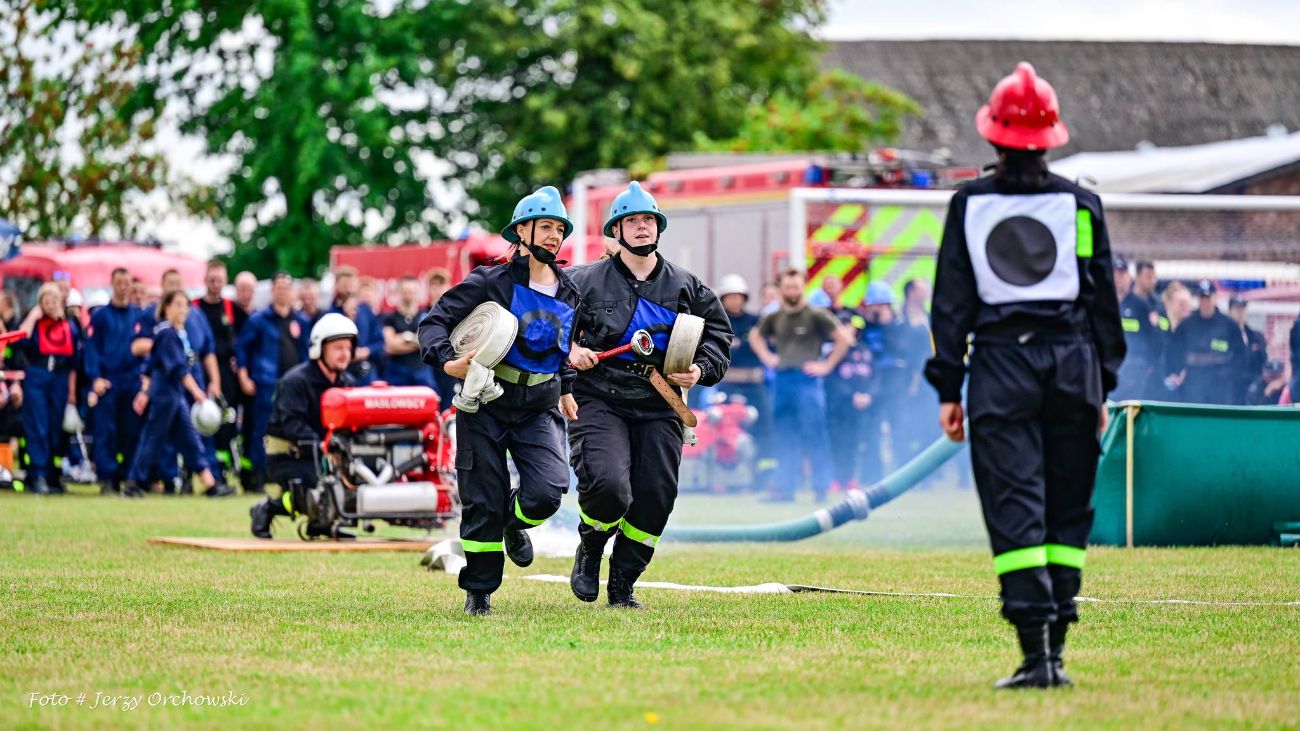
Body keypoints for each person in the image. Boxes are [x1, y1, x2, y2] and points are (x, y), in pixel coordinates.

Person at [924, 63, 1125, 689]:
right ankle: (1057, 647)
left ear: (994, 136)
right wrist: (1103, 384)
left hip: (1001, 364)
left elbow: (951, 303)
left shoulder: (969, 203)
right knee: (1068, 508)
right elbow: (1100, 300)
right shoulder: (1081, 204)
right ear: (1050, 136)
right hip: (1072, 364)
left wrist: (948, 387)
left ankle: (1035, 653)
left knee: (1015, 508)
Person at [567, 181, 731, 608]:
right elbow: (547, 325)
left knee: (656, 496)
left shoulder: (686, 286)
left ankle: (622, 584)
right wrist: (571, 349)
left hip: (661, 402)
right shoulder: (583, 281)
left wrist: (702, 367)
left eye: (647, 221)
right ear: (616, 232)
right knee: (608, 486)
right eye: (631, 221)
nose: (641, 228)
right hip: (599, 397)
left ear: (658, 228)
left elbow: (718, 335)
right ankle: (590, 549)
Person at [419, 186, 582, 616]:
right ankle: (480, 592)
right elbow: (434, 323)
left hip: (539, 405)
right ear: (522, 231)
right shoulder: (489, 281)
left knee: (549, 491)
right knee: (482, 498)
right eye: (545, 226)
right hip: (484, 402)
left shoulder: (571, 291)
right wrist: (448, 360)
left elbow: (562, 345)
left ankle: (513, 523)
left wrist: (566, 386)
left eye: (558, 229)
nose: (553, 236)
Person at [249, 313, 357, 539]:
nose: (344, 353)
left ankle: (321, 524)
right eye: (338, 347)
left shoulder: (347, 384)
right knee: (313, 489)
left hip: (323, 454)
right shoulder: (295, 381)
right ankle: (267, 508)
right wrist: (323, 446)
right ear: (319, 348)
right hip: (288, 455)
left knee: (350, 481)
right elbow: (291, 424)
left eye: (348, 348)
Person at [748, 269, 851, 502]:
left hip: (808, 382)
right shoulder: (775, 317)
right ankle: (785, 489)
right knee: (785, 435)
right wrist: (768, 358)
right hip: (783, 380)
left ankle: (821, 487)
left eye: (796, 287)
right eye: (787, 287)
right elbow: (755, 337)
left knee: (815, 434)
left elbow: (844, 339)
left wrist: (826, 365)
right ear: (781, 289)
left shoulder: (816, 315)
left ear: (803, 287)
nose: (792, 291)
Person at [124, 291, 232, 498]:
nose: (183, 310)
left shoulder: (174, 333)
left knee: (189, 440)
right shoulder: (167, 333)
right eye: (178, 305)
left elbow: (150, 366)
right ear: (167, 307)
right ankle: (133, 482)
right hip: (166, 394)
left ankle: (210, 484)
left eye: (185, 305)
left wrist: (144, 391)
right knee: (153, 438)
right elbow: (178, 369)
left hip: (173, 394)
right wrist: (198, 393)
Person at [236, 273, 310, 495]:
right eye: (279, 288)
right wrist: (244, 376)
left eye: (287, 288)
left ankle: (290, 475)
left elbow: (307, 353)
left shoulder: (301, 321)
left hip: (293, 385)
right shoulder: (259, 320)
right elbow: (242, 349)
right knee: (262, 429)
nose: (283, 292)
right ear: (272, 291)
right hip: (266, 382)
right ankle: (256, 476)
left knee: (292, 429)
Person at [16, 283, 81, 494]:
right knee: (38, 425)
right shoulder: (35, 324)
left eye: (53, 300)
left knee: (54, 427)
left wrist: (71, 391)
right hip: (38, 374)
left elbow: (74, 362)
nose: (50, 304)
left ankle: (53, 474)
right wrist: (34, 317)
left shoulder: (70, 326)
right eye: (45, 300)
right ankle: (38, 474)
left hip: (60, 378)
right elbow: (19, 340)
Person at [84, 268, 144, 496]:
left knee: (131, 432)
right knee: (105, 432)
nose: (123, 287)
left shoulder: (138, 316)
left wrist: (143, 378)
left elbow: (146, 349)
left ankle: (129, 477)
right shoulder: (100, 317)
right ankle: (108, 479)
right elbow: (92, 349)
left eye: (127, 283)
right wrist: (95, 378)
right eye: (119, 283)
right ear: (112, 284)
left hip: (131, 382)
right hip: (108, 382)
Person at [712, 273, 775, 492]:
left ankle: (764, 474)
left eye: (738, 296)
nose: (734, 301)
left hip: (755, 384)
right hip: (728, 384)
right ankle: (724, 476)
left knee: (764, 425)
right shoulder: (717, 322)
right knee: (724, 428)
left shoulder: (756, 322)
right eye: (730, 297)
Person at [193, 259, 249, 486]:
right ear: (205, 280)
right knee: (198, 422)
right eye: (212, 280)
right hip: (199, 371)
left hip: (227, 375)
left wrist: (240, 362)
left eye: (220, 280)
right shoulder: (194, 306)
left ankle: (222, 470)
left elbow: (246, 339)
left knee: (225, 424)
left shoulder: (231, 308)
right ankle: (198, 470)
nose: (216, 284)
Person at [821, 275, 873, 495]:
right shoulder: (821, 316)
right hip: (832, 388)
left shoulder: (853, 314)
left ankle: (850, 477)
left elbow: (860, 330)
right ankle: (833, 477)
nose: (832, 288)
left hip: (856, 389)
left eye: (835, 284)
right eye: (828, 285)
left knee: (854, 436)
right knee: (833, 435)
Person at [1166, 281, 1247, 405]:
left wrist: (1231, 375)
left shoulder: (1228, 325)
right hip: (1194, 383)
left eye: (1208, 297)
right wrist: (1177, 373)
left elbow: (1240, 354)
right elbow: (1174, 351)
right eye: (1202, 297)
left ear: (1215, 297)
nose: (1205, 301)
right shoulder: (1186, 325)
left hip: (1221, 384)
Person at [1114, 260, 1167, 400]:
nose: (1118, 279)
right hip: (1113, 367)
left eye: (1122, 275)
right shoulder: (1106, 303)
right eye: (1115, 275)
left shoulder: (1140, 305)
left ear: (1129, 277)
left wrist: (1150, 364)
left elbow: (1154, 338)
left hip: (1135, 369)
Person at [329, 266, 383, 384]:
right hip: (339, 375)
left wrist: (366, 351)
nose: (348, 288)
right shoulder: (329, 314)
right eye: (344, 284)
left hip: (366, 375)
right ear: (337, 285)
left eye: (351, 283)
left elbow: (380, 342)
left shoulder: (366, 311)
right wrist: (348, 318)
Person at [381, 276, 436, 391]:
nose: (408, 295)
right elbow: (389, 346)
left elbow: (428, 343)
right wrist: (416, 340)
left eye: (411, 291)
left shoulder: (427, 316)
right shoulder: (390, 318)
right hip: (396, 375)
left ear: (417, 292)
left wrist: (404, 338)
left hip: (422, 374)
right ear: (399, 292)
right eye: (405, 291)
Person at [1228, 297, 1266, 405]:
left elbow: (1263, 361)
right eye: (1237, 309)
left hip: (1252, 388)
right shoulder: (1223, 335)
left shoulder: (1256, 336)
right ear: (1230, 311)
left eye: (1243, 309)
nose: (1240, 312)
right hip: (1231, 387)